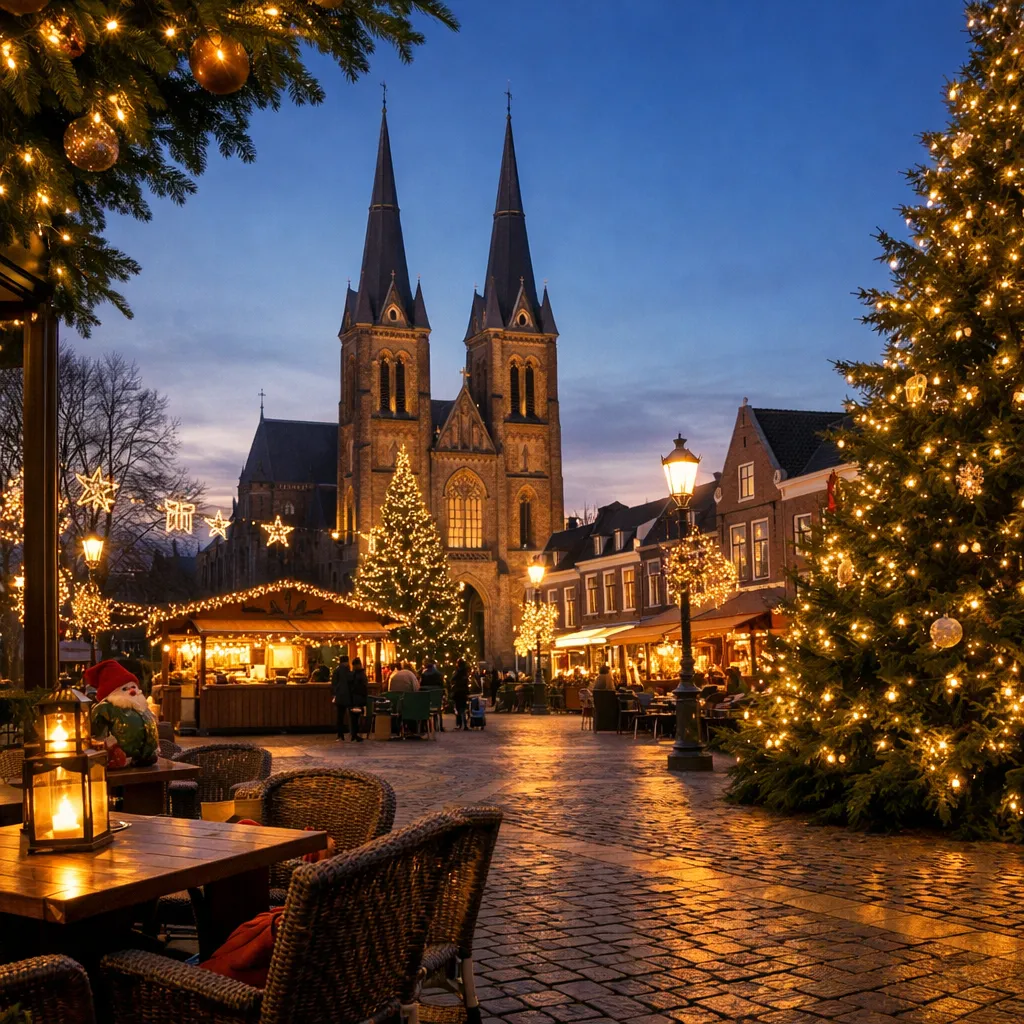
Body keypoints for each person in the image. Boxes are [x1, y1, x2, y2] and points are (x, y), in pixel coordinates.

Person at [331, 655, 352, 739]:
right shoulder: (348, 671)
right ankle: (352, 733)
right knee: (351, 715)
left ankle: (340, 734)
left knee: (340, 715)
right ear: (347, 661)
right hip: (348, 695)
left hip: (339, 695)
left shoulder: (336, 671)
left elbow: (333, 684)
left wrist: (335, 693)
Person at [348, 657, 368, 742]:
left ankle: (354, 734)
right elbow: (364, 686)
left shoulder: (353, 674)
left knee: (354, 717)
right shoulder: (361, 674)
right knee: (356, 717)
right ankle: (355, 734)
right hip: (359, 698)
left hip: (353, 698)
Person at [450, 658, 470, 730]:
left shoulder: (457, 672)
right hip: (464, 692)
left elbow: (452, 679)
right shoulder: (465, 672)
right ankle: (465, 724)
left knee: (458, 708)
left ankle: (459, 724)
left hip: (458, 692)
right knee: (463, 708)